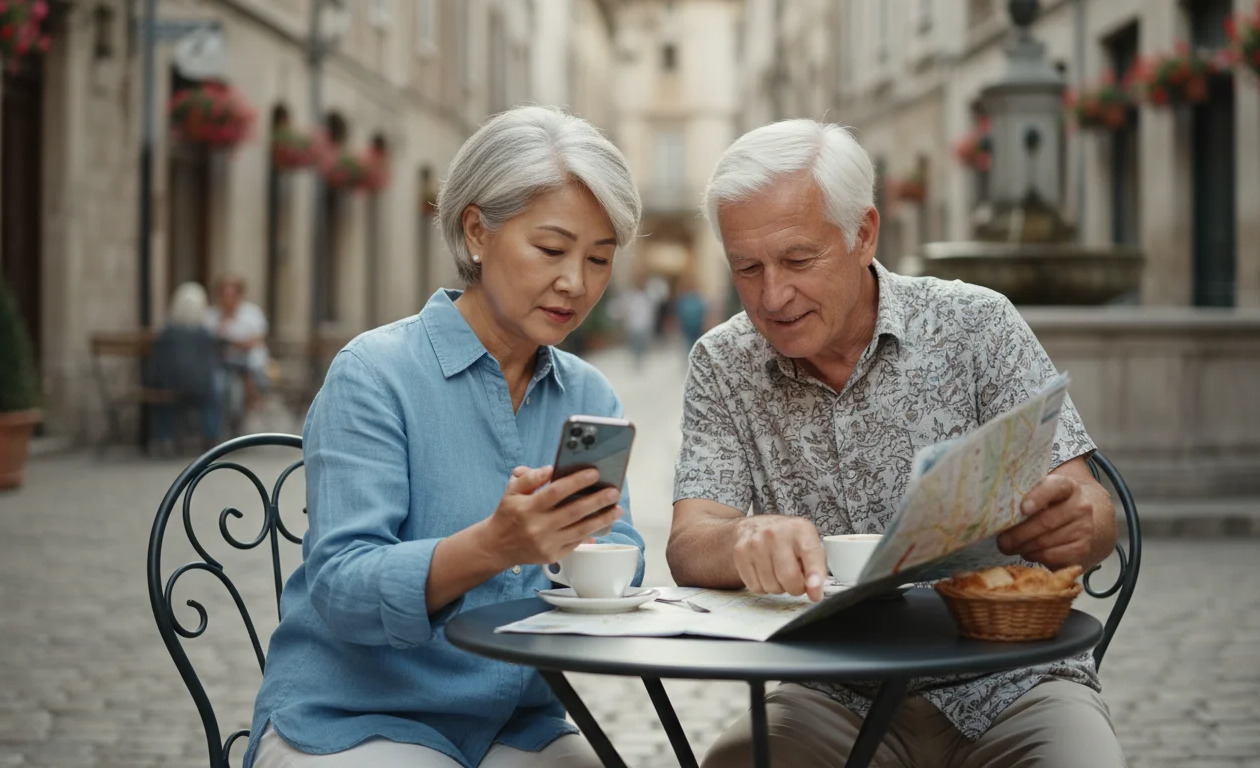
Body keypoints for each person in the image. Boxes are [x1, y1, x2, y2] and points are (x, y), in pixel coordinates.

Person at [667, 119, 1126, 768]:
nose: (773, 295)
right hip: (833, 695)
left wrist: (1080, 521)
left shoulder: (977, 324)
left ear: (864, 233)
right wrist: (742, 538)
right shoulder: (722, 361)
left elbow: (1094, 510)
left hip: (1012, 683)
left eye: (799, 260)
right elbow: (691, 540)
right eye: (747, 268)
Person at [246, 105, 646, 768]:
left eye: (599, 259)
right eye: (551, 249)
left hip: (516, 721)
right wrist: (495, 546)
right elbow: (342, 587)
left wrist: (577, 553)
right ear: (477, 232)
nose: (576, 283)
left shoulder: (588, 396)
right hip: (353, 715)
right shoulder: (374, 374)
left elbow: (623, 553)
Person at [144, 282, 223, 454]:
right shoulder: (204, 333)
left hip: (169, 383)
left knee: (165, 395)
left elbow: (159, 364)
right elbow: (210, 364)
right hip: (200, 386)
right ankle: (211, 436)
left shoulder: (167, 332)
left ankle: (165, 437)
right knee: (218, 389)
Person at [206, 273, 271, 414]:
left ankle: (251, 407)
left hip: (249, 365)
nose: (227, 299)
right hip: (221, 364)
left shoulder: (252, 314)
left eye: (231, 295)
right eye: (224, 294)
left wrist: (232, 343)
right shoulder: (211, 316)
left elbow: (257, 340)